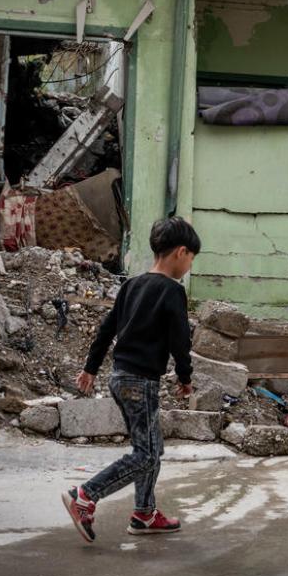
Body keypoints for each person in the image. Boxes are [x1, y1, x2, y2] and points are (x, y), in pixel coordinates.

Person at [62, 216, 200, 543]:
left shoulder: (131, 285)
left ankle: (144, 513)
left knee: (152, 449)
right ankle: (85, 496)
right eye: (192, 258)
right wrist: (185, 376)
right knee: (147, 454)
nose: (190, 265)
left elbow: (106, 330)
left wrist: (91, 368)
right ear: (181, 252)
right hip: (140, 382)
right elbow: (181, 340)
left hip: (120, 376)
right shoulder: (172, 292)